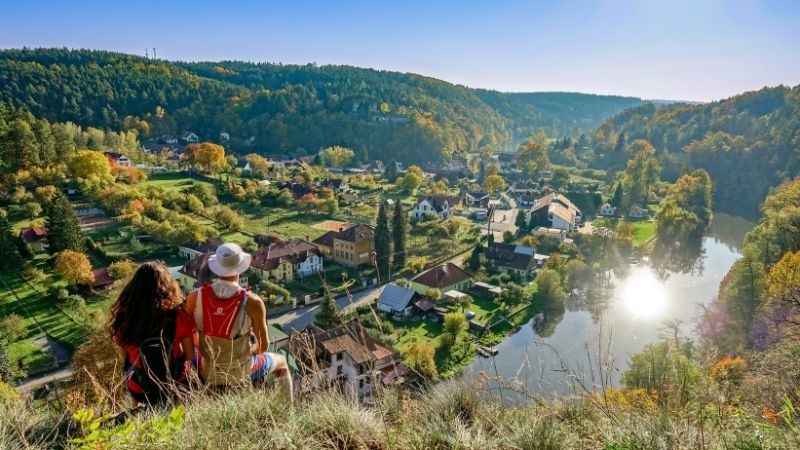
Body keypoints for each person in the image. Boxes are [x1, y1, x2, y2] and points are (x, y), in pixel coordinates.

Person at [186, 243, 293, 405]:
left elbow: (190, 335)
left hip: (207, 370)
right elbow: (263, 345)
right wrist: (249, 351)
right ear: (240, 268)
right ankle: (286, 412)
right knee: (282, 362)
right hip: (240, 371)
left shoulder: (195, 296)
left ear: (216, 268)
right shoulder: (252, 301)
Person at [109, 262, 195, 406]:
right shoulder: (178, 315)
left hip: (140, 388)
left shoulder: (124, 319)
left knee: (133, 377)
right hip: (176, 382)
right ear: (167, 287)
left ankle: (137, 416)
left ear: (133, 289)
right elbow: (190, 354)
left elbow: (124, 359)